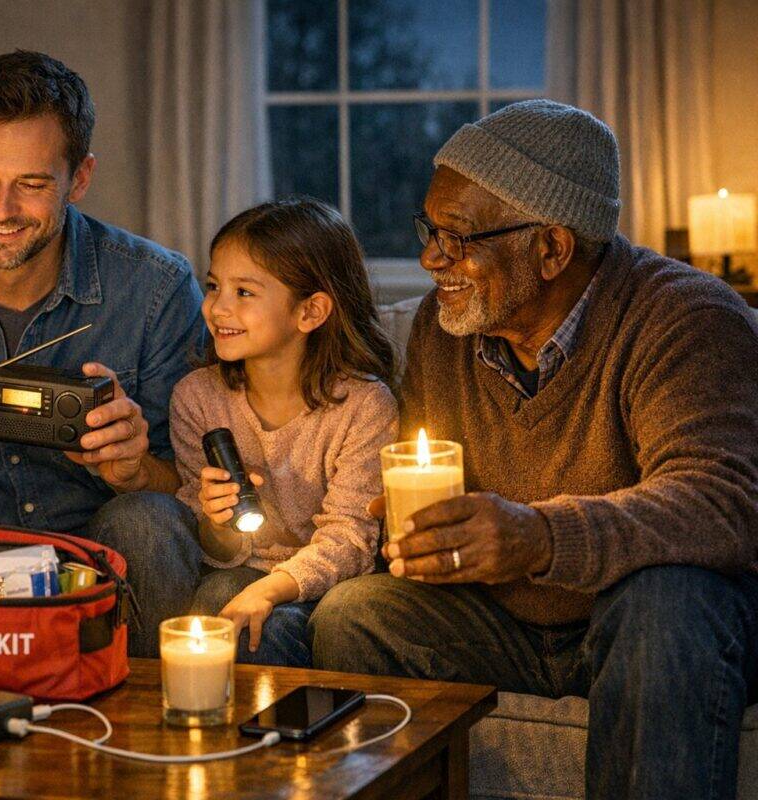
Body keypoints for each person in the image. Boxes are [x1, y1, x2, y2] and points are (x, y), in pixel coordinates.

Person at [308, 100, 758, 799]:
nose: (433, 259)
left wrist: (538, 537)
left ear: (550, 248)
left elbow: (721, 503)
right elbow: (433, 489)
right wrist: (424, 536)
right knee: (354, 614)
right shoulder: (445, 329)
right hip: (508, 622)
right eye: (430, 230)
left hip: (641, 617)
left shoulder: (685, 318)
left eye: (458, 238)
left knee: (664, 600)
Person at [0, 51, 203, 531]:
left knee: (146, 521)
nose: (0, 210)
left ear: (79, 178)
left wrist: (136, 469)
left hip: (100, 556)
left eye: (32, 184)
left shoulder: (156, 288)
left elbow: (194, 495)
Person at [92, 198, 398, 662]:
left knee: (237, 616)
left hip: (318, 587)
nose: (217, 308)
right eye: (213, 286)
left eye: (244, 293)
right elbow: (212, 543)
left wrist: (273, 590)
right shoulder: (198, 397)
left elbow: (350, 540)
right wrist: (217, 522)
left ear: (310, 311)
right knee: (215, 592)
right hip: (233, 573)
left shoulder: (363, 407)